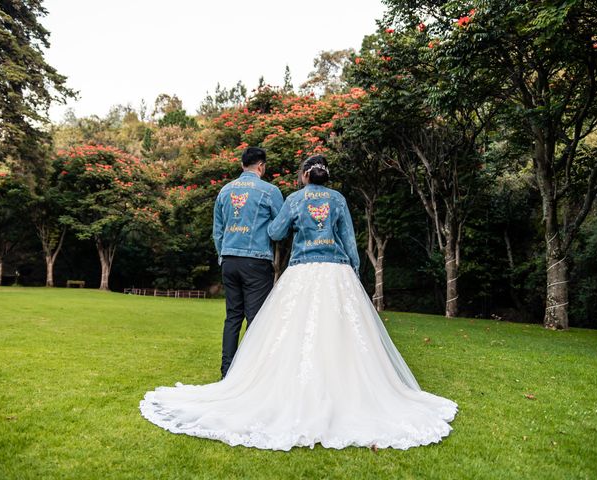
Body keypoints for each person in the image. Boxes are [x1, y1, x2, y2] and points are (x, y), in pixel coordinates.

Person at [140, 155, 458, 450]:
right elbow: (349, 238)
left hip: (303, 269)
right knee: (340, 330)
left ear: (305, 175)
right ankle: (341, 388)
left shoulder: (293, 199)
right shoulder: (338, 199)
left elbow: (277, 232)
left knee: (291, 328)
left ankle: (269, 381)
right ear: (325, 175)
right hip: (336, 271)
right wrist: (355, 268)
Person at [212, 146, 283, 378]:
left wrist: (223, 256)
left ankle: (227, 371)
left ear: (243, 165)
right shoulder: (269, 191)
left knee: (233, 317)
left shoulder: (225, 191)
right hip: (256, 260)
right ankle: (251, 374)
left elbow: (218, 231)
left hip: (230, 260)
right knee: (256, 319)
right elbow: (279, 229)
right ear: (261, 166)